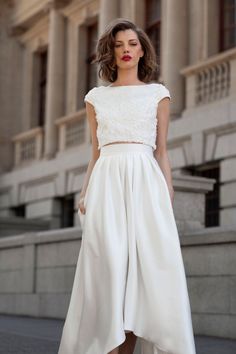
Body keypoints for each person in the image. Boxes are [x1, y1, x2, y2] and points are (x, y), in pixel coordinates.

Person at [58, 18, 196, 354]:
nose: (126, 51)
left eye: (132, 44)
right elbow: (95, 152)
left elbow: (161, 151)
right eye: (119, 45)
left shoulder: (157, 94)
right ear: (110, 51)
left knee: (145, 273)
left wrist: (168, 191)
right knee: (109, 272)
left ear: (142, 50)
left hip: (146, 185)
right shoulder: (96, 98)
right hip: (106, 184)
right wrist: (85, 190)